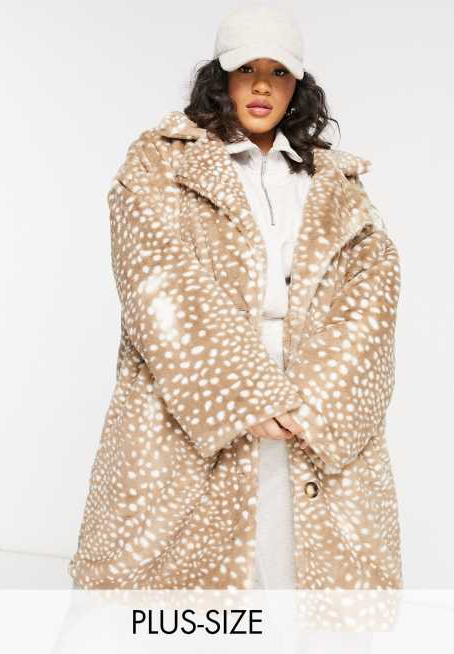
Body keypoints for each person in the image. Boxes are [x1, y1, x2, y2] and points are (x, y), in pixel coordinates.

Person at [69, 3, 403, 592]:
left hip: (310, 404)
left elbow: (372, 288)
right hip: (194, 397)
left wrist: (317, 397)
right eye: (247, 68)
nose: (261, 85)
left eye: (278, 72)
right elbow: (156, 278)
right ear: (220, 77)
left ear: (298, 85)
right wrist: (244, 391)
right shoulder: (161, 162)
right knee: (177, 590)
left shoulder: (335, 182)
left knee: (306, 580)